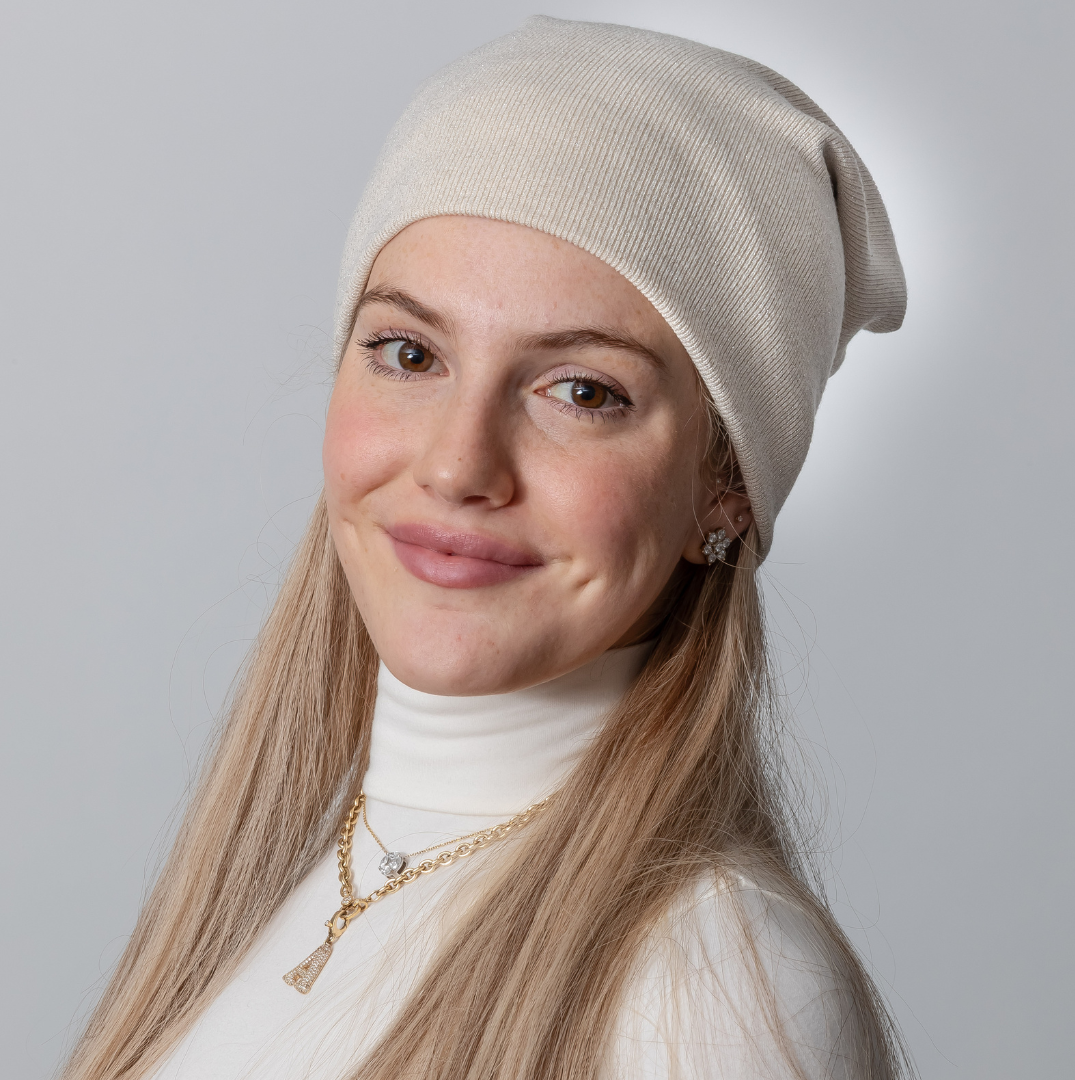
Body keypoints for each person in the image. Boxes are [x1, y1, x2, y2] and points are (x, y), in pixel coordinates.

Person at [63, 16, 910, 1080]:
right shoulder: (274, 888)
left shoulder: (711, 995)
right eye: (410, 354)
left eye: (583, 391)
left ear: (726, 486)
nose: (459, 465)